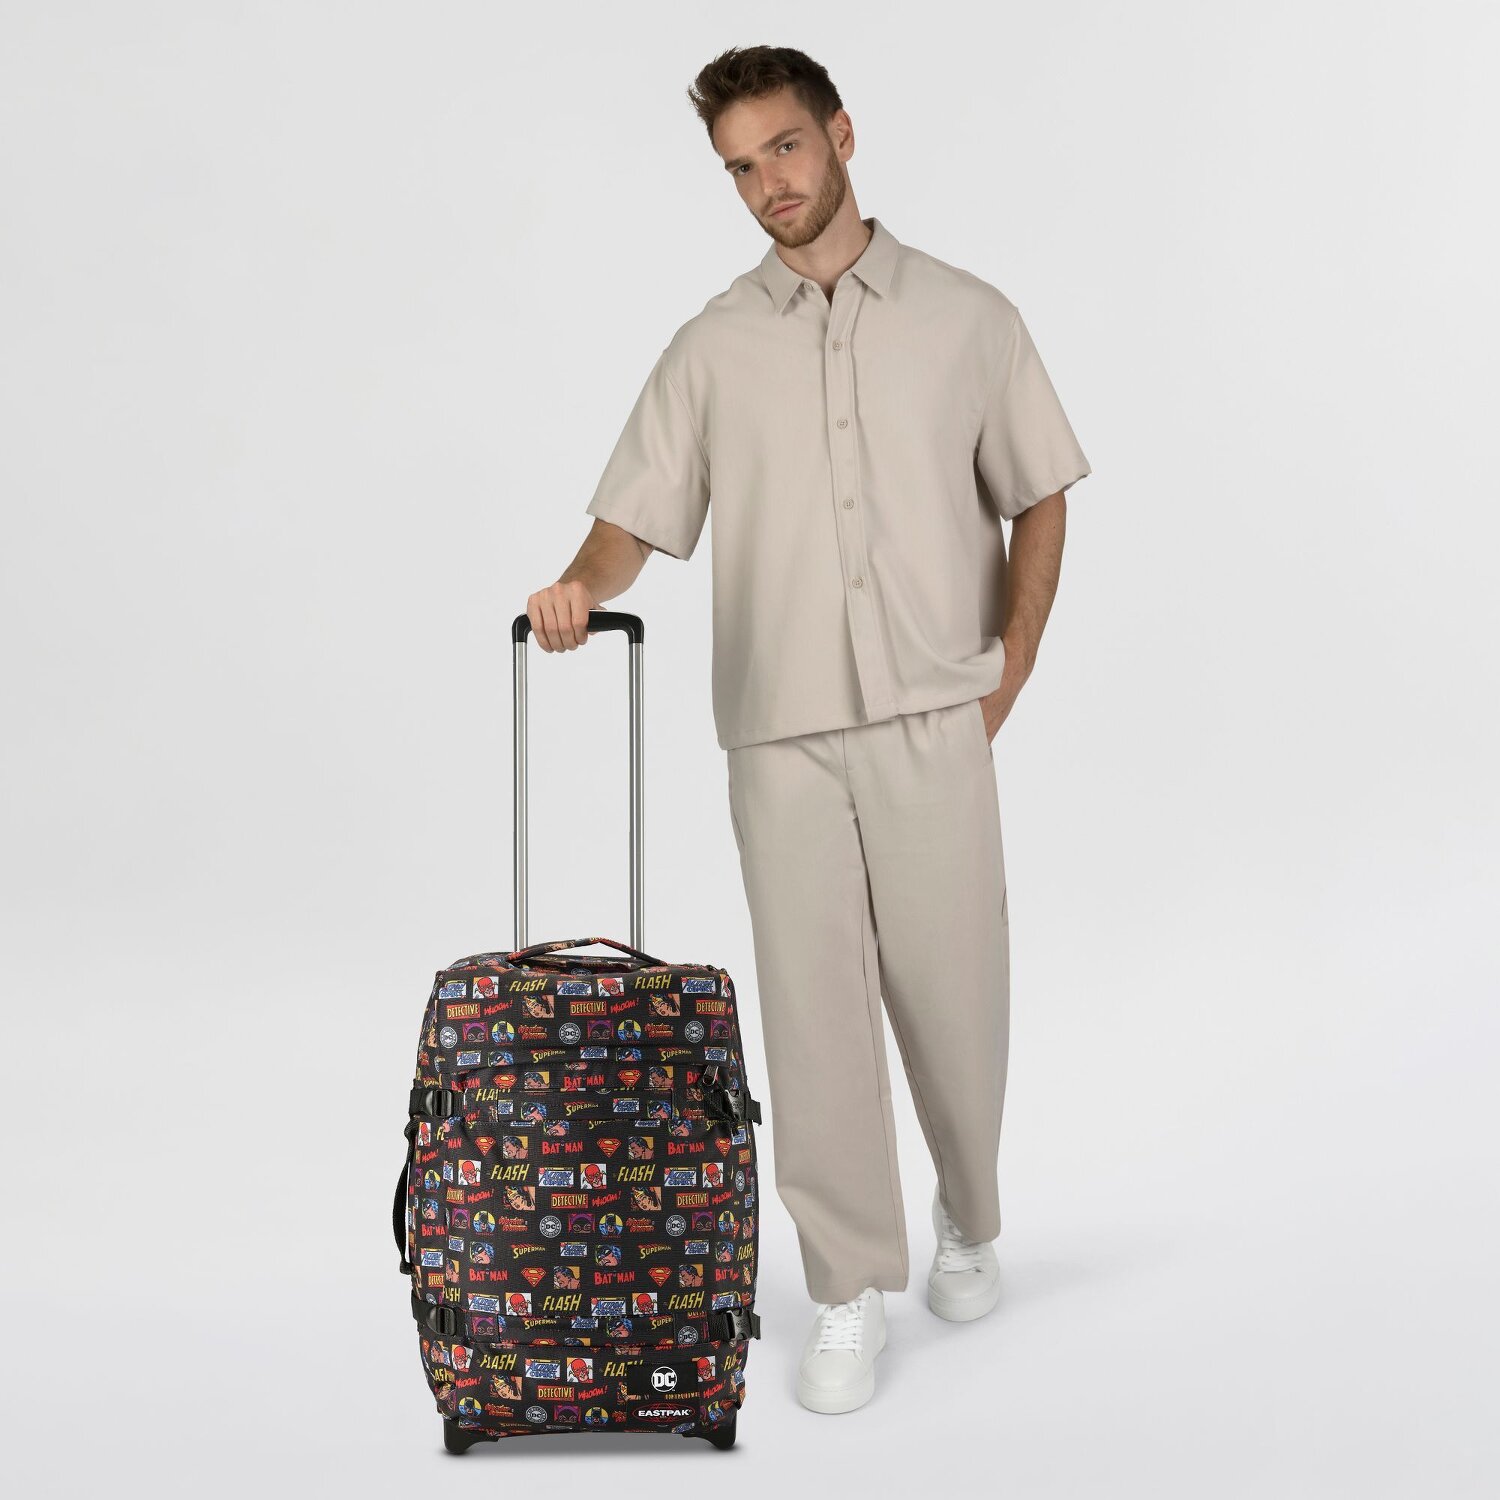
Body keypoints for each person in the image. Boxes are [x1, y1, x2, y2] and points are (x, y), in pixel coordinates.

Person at [526, 45, 1091, 1415]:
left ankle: (968, 1214)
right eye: (739, 167)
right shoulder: (712, 346)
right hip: (777, 730)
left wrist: (1010, 664)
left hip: (932, 713)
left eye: (782, 148)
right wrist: (580, 585)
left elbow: (1040, 492)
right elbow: (633, 518)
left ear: (840, 135)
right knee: (813, 1011)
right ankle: (846, 1284)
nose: (766, 184)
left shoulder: (969, 317)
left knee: (956, 997)